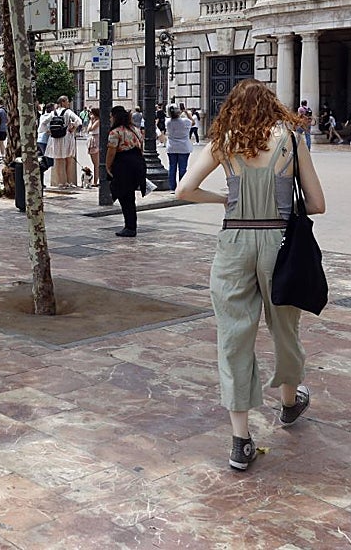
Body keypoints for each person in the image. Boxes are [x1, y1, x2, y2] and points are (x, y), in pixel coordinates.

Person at [175, 78, 326, 471]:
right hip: (279, 245)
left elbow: (184, 190)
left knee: (233, 337)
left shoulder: (225, 140)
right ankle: (290, 404)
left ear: (233, 108)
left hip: (234, 245)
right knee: (284, 328)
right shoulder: (292, 140)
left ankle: (240, 440)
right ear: (272, 104)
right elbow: (317, 204)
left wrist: (224, 197)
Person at [104, 105, 145, 237]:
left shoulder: (115, 132)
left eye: (111, 116)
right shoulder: (135, 130)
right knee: (130, 197)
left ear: (115, 117)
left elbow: (111, 151)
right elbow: (141, 148)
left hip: (123, 166)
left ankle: (130, 227)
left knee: (124, 196)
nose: (110, 119)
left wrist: (107, 166)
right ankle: (131, 225)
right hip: (137, 164)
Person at [45, 96, 81, 188]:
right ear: (63, 102)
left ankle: (61, 182)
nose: (68, 103)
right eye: (67, 101)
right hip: (66, 138)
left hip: (56, 138)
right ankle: (69, 182)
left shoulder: (53, 113)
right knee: (68, 161)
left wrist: (48, 131)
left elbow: (43, 123)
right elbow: (78, 121)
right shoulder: (68, 112)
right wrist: (73, 128)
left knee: (58, 161)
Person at [165, 104, 193, 188]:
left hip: (171, 147)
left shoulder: (168, 122)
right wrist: (186, 112)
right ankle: (182, 186)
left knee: (172, 167)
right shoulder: (185, 121)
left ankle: (172, 187)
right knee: (182, 168)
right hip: (183, 147)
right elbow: (193, 122)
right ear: (179, 112)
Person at [85, 107, 101, 187]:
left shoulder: (98, 121)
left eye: (91, 113)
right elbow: (88, 129)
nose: (90, 115)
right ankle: (95, 180)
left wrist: (91, 121)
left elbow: (92, 128)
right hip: (92, 139)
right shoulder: (93, 121)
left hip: (96, 139)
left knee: (96, 163)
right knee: (95, 163)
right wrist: (91, 121)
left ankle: (95, 181)